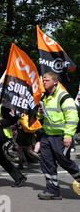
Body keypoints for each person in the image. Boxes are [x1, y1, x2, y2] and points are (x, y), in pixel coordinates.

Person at [37, 72, 80, 200]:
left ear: (55, 82)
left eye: (47, 80)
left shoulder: (64, 97)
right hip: (47, 135)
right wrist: (40, 113)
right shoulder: (45, 96)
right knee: (46, 162)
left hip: (60, 136)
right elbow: (44, 117)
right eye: (43, 80)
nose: (44, 82)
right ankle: (53, 191)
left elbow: (72, 117)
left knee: (64, 161)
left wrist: (68, 135)